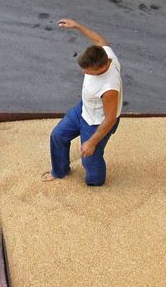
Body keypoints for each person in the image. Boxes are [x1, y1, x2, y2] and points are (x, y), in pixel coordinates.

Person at [44, 18, 122, 187]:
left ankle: (95, 185)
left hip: (97, 122)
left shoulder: (109, 88)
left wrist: (91, 142)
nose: (84, 73)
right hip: (84, 109)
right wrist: (77, 26)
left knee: (89, 159)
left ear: (101, 68)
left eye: (88, 71)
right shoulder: (106, 53)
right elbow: (100, 40)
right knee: (58, 135)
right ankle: (60, 171)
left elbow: (110, 119)